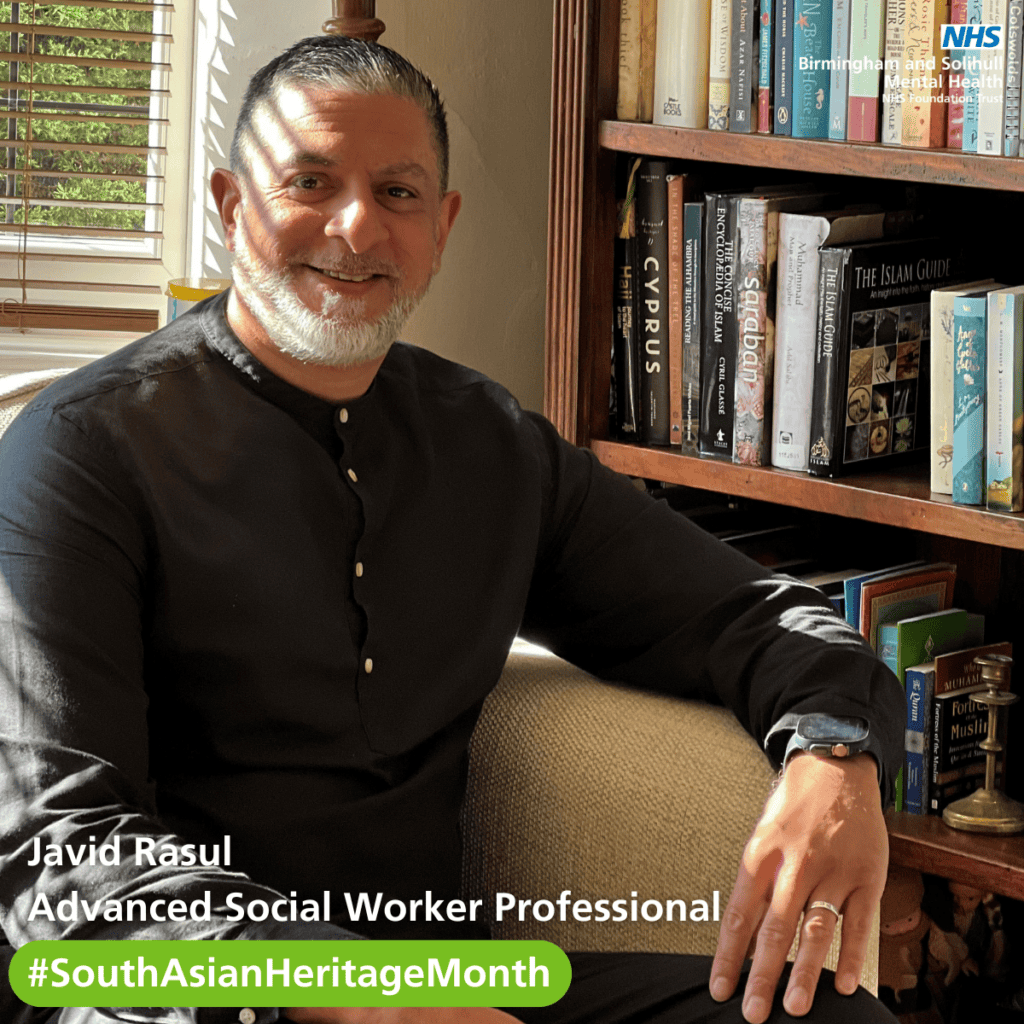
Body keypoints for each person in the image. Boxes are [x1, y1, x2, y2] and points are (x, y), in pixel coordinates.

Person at [0, 35, 903, 1024]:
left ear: (442, 226)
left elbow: (746, 613)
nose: (355, 228)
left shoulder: (491, 446)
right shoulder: (81, 449)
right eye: (309, 180)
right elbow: (61, 850)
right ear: (229, 206)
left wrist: (832, 750)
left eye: (397, 193)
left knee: (825, 1016)